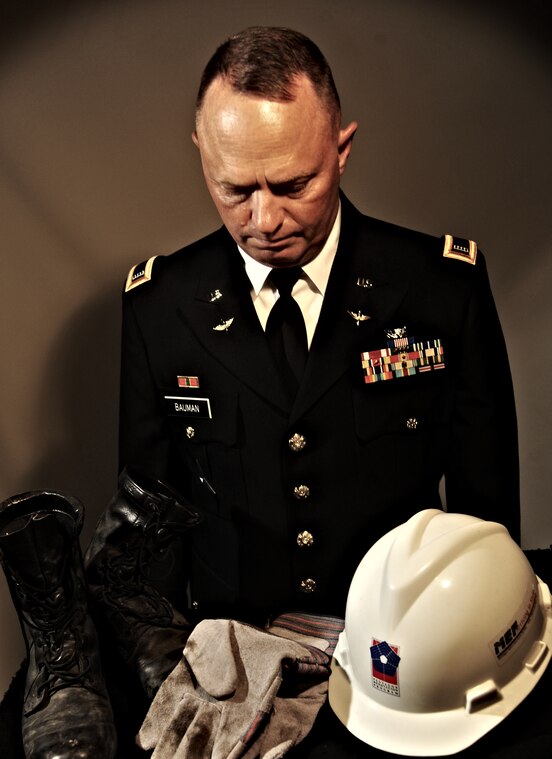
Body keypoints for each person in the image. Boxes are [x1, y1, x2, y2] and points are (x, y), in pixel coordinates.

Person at [119, 25, 520, 624]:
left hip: (406, 643)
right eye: (234, 188)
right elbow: (147, 526)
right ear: (202, 150)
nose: (264, 219)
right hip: (234, 650)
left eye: (293, 185)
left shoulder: (441, 288)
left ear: (342, 149)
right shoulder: (159, 306)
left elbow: (487, 516)